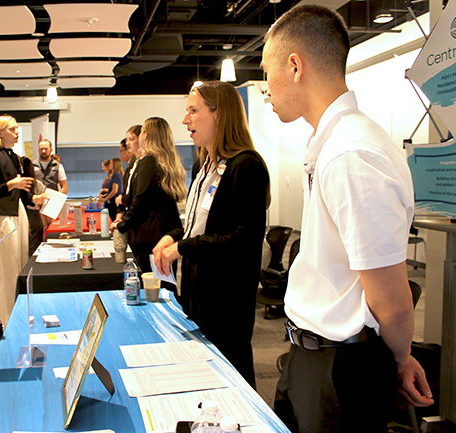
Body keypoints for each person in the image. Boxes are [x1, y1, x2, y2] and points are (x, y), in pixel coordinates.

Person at [260, 6, 433, 432]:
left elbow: (391, 301)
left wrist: (398, 357)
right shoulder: (333, 143)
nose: (267, 88)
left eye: (267, 72)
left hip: (341, 368)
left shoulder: (352, 154)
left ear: (295, 65)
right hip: (310, 355)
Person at [153, 81, 270, 388]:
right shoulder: (203, 165)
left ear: (220, 115)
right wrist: (173, 236)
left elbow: (242, 239)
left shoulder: (246, 167)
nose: (185, 120)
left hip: (225, 304)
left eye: (193, 111)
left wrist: (185, 247)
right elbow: (200, 224)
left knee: (233, 385)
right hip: (196, 295)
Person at [0, 114, 38, 327]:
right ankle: (6, 319)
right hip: (4, 217)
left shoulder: (17, 158)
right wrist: (11, 185)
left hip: (19, 214)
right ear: (0, 132)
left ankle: (20, 313)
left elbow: (23, 193)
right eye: (12, 129)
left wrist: (35, 198)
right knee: (6, 268)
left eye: (17, 129)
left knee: (20, 264)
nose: (17, 133)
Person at [111, 117, 186, 273]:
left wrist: (123, 225)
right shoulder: (165, 160)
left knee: (153, 281)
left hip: (150, 233)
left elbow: (141, 198)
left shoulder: (149, 160)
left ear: (146, 135)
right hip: (167, 230)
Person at [22, 157, 47, 256]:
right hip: (34, 218)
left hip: (23, 216)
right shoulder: (37, 184)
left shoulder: (17, 185)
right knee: (35, 248)